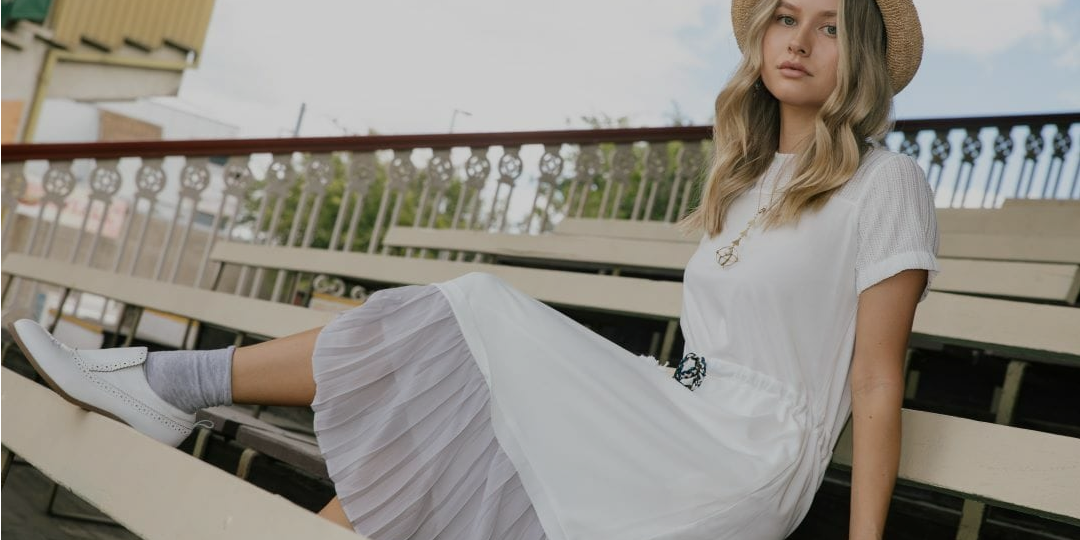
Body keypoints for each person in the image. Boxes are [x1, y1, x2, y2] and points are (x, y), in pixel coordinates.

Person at [8, 0, 938, 538]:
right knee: (458, 417)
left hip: (746, 454)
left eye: (828, 25)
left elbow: (872, 381)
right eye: (785, 16)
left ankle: (168, 381)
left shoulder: (887, 183)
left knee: (478, 310)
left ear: (856, 55)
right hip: (671, 408)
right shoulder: (739, 180)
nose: (798, 40)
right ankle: (168, 387)